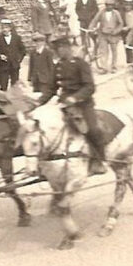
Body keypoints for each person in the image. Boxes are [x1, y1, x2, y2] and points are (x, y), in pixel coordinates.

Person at [38, 36, 106, 175]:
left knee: (92, 130)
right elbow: (51, 89)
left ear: (68, 48)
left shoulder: (81, 64)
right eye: (56, 49)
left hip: (83, 104)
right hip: (65, 105)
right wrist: (39, 102)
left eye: (60, 49)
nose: (58, 52)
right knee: (48, 129)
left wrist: (75, 98)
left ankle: (99, 160)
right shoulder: (58, 66)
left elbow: (90, 87)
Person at [90, 0, 124, 73]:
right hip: (103, 34)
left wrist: (116, 31)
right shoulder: (101, 12)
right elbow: (94, 20)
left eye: (111, 5)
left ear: (113, 6)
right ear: (105, 5)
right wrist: (91, 28)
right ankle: (104, 67)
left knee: (114, 51)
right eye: (107, 5)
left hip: (113, 35)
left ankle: (113, 66)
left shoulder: (116, 13)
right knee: (103, 51)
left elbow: (121, 24)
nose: (109, 7)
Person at [0, 19, 25, 90]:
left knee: (15, 86)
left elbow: (23, 50)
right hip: (3, 66)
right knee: (3, 86)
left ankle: (14, 99)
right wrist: (0, 56)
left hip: (15, 65)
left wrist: (19, 59)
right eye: (3, 28)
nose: (5, 30)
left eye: (6, 28)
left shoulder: (17, 38)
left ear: (10, 28)